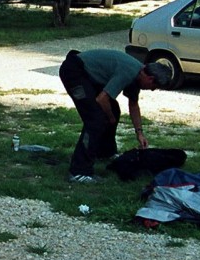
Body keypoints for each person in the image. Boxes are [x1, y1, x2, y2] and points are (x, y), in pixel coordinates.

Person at [58, 49, 172, 184]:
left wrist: (139, 133)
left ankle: (105, 153)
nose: (152, 89)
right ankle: (78, 172)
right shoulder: (129, 72)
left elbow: (134, 105)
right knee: (95, 121)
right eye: (154, 86)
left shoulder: (138, 76)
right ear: (150, 78)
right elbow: (102, 99)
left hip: (88, 75)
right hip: (74, 71)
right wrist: (110, 117)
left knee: (113, 110)